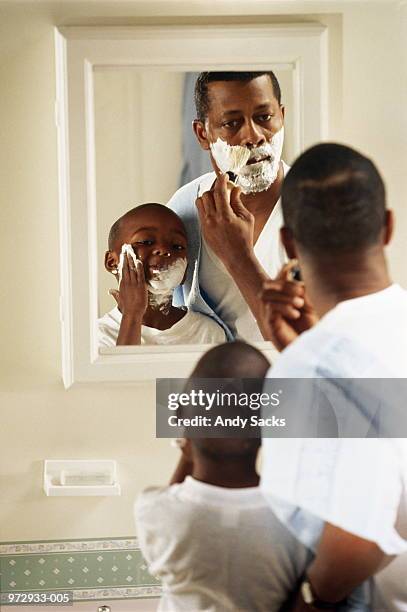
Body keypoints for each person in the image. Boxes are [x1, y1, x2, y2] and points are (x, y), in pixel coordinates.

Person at [256, 143, 407, 610]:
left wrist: (312, 598)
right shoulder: (317, 358)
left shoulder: (310, 367)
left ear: (288, 242)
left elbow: (365, 531)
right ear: (386, 226)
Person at [135, 341, 312, 612]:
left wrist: (189, 431)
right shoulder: (299, 518)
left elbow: (179, 500)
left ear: (183, 419)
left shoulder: (152, 509)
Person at [167, 71, 289, 342]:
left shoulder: (315, 207)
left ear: (282, 116)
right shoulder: (182, 210)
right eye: (232, 123)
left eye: (264, 117)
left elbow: (309, 344)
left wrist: (237, 255)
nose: (253, 136)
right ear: (202, 134)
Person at [98, 203, 226, 346]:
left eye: (177, 246)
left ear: (185, 271)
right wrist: (132, 315)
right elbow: (123, 369)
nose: (163, 250)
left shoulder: (207, 333)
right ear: (112, 262)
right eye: (146, 242)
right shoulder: (98, 336)